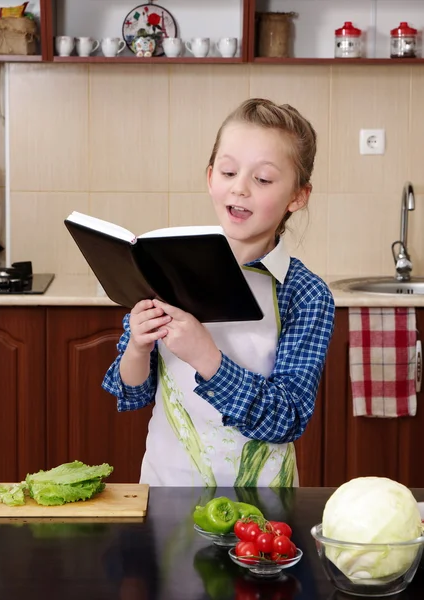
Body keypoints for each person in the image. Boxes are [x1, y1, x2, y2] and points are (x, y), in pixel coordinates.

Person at [102, 98, 335, 487]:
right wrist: (138, 347)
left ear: (298, 196)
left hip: (262, 508)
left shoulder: (305, 294)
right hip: (163, 492)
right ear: (211, 178)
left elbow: (288, 417)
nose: (239, 188)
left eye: (262, 179)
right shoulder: (166, 266)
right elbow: (131, 394)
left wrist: (207, 356)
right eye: (228, 171)